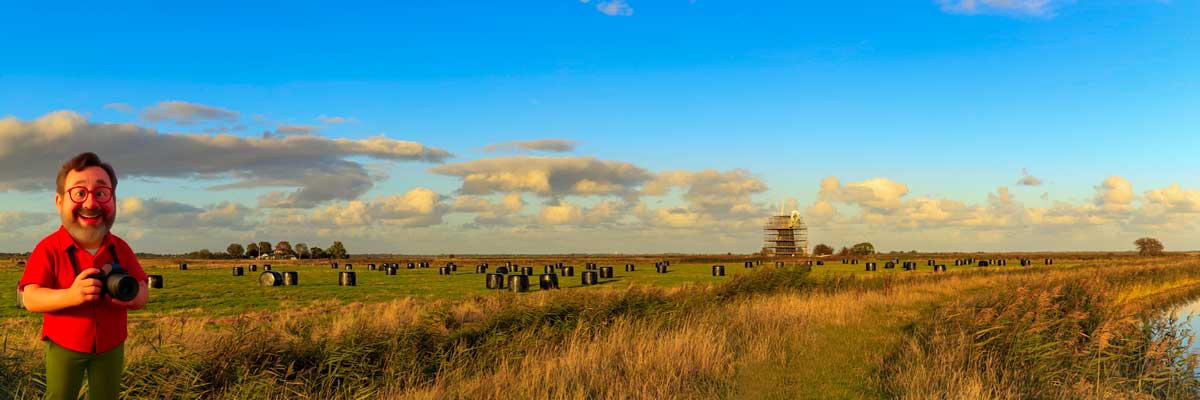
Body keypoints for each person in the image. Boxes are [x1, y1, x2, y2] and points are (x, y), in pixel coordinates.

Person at [18, 152, 149, 400]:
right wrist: (71, 295)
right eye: (79, 193)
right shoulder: (48, 248)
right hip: (64, 344)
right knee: (60, 395)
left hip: (111, 344)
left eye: (101, 193)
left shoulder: (120, 248)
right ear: (59, 202)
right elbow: (31, 299)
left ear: (114, 200)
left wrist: (132, 298)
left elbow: (142, 289)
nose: (91, 204)